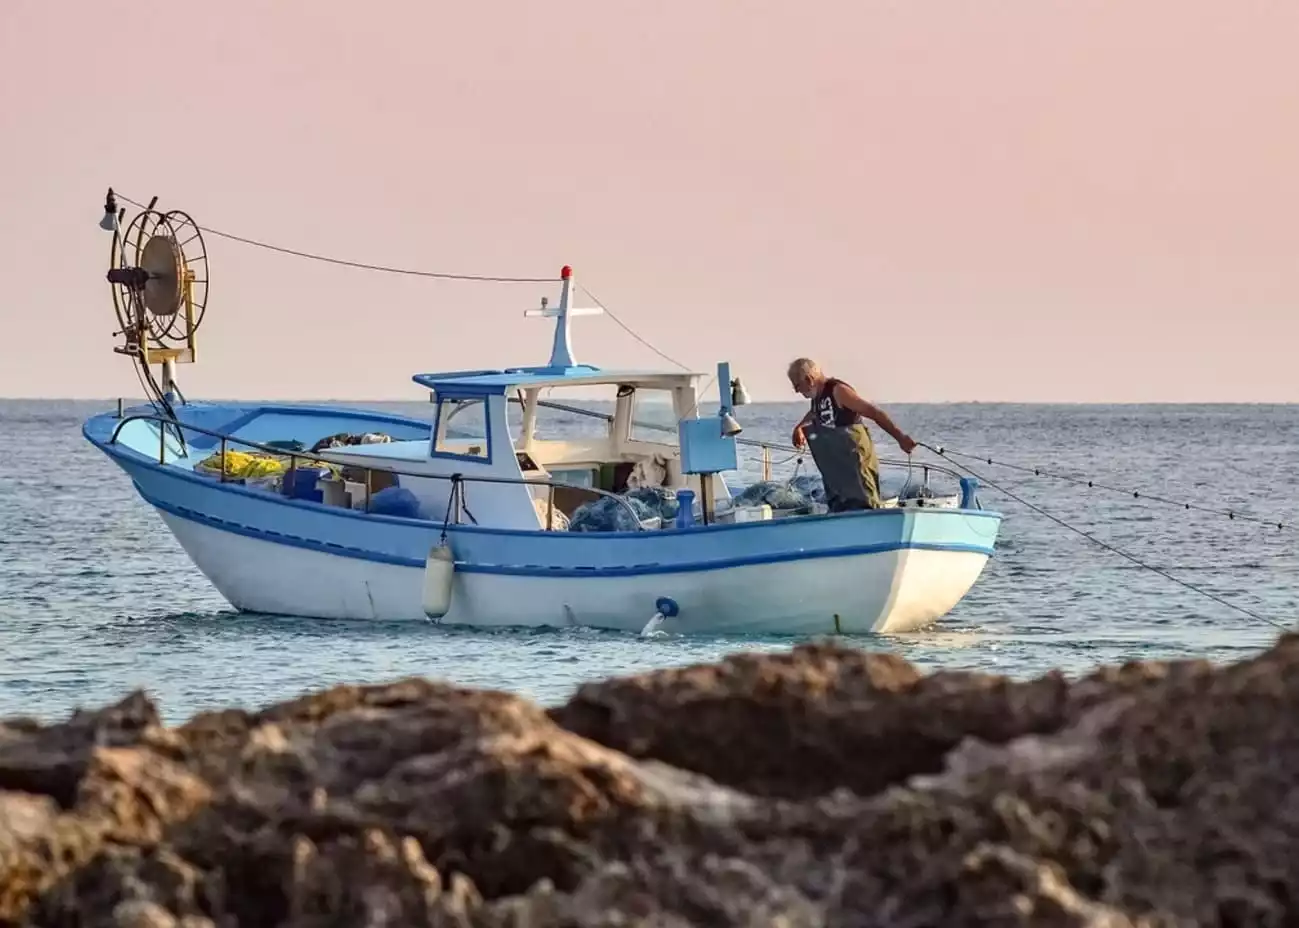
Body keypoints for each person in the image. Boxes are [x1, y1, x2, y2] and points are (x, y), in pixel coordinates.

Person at [787, 357, 917, 511]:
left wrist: (900, 438)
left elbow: (874, 412)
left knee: (865, 498)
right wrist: (799, 427)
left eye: (797, 386)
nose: (797, 391)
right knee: (840, 502)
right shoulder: (817, 399)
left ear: (809, 379)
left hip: (856, 457)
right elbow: (814, 413)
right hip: (838, 463)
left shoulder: (838, 391)